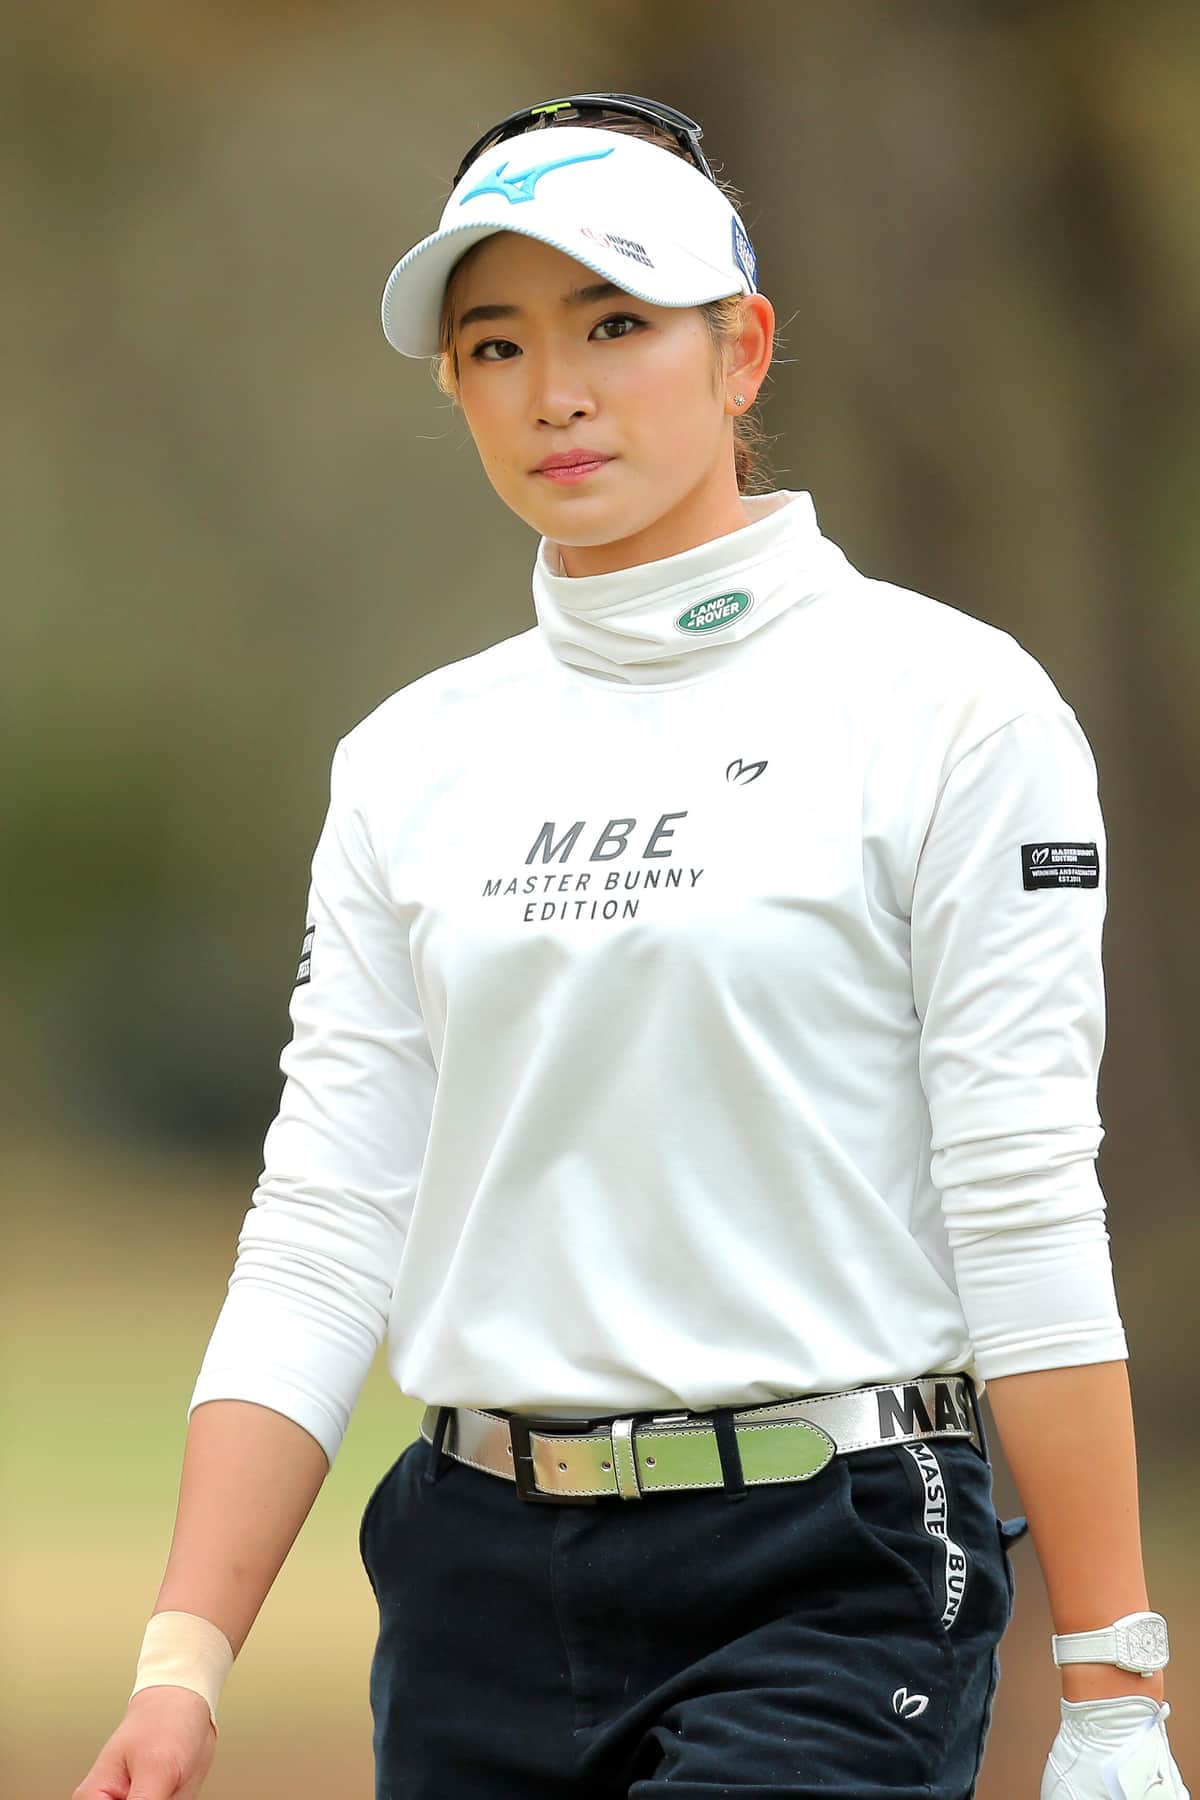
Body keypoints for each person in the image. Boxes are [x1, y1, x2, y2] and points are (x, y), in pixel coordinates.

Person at [72, 94, 1188, 1800]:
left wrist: (1113, 1688)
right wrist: (183, 1667)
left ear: (742, 352)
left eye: (615, 325)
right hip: (476, 1582)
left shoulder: (953, 711)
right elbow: (322, 1224)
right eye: (496, 343)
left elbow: (1024, 1193)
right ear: (453, 385)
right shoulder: (408, 763)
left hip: (839, 1566)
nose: (557, 391)